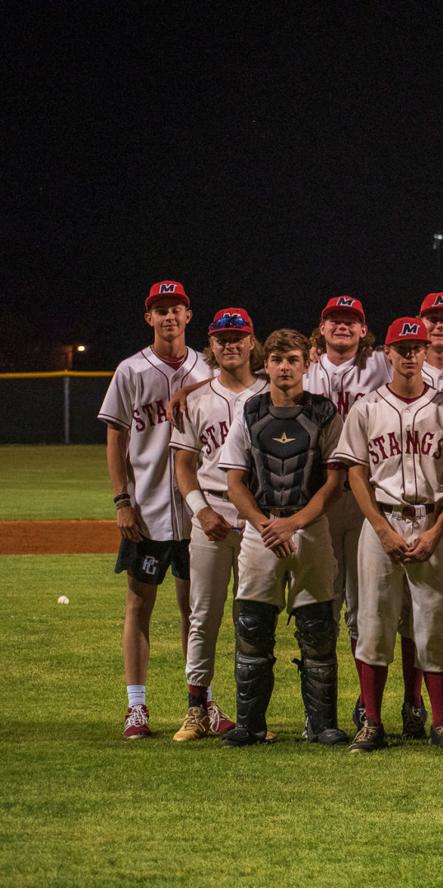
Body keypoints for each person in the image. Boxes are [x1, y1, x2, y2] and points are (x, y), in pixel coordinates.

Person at [334, 317, 443, 753]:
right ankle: (372, 723)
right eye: (402, 348)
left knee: (432, 627)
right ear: (387, 354)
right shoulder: (366, 408)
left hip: (432, 524)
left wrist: (437, 531)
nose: (410, 354)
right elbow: (355, 472)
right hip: (382, 524)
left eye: (417, 347)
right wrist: (380, 528)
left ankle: (441, 722)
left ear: (425, 352)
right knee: (373, 624)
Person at [217, 328, 349, 746]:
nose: (285, 368)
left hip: (309, 528)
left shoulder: (325, 411)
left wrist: (293, 524)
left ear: (306, 363)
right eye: (277, 360)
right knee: (253, 624)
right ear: (266, 365)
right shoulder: (250, 411)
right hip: (263, 528)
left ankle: (322, 724)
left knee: (317, 627)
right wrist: (263, 524)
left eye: (292, 359)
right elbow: (235, 480)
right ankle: (250, 724)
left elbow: (334, 482)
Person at [98, 280, 212, 738]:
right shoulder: (130, 370)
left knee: (195, 611)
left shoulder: (207, 368)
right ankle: (136, 706)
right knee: (138, 605)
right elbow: (116, 436)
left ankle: (199, 703)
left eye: (176, 308)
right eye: (160, 309)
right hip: (145, 509)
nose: (169, 316)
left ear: (188, 316)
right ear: (149, 318)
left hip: (198, 511)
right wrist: (122, 499)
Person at [169, 307, 266, 740]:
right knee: (203, 616)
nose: (230, 344)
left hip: (257, 523)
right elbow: (184, 465)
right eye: (222, 338)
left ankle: (251, 716)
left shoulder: (272, 393)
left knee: (254, 619)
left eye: (238, 336)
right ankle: (196, 709)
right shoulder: (196, 399)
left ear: (251, 342)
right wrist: (199, 510)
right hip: (211, 517)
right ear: (211, 345)